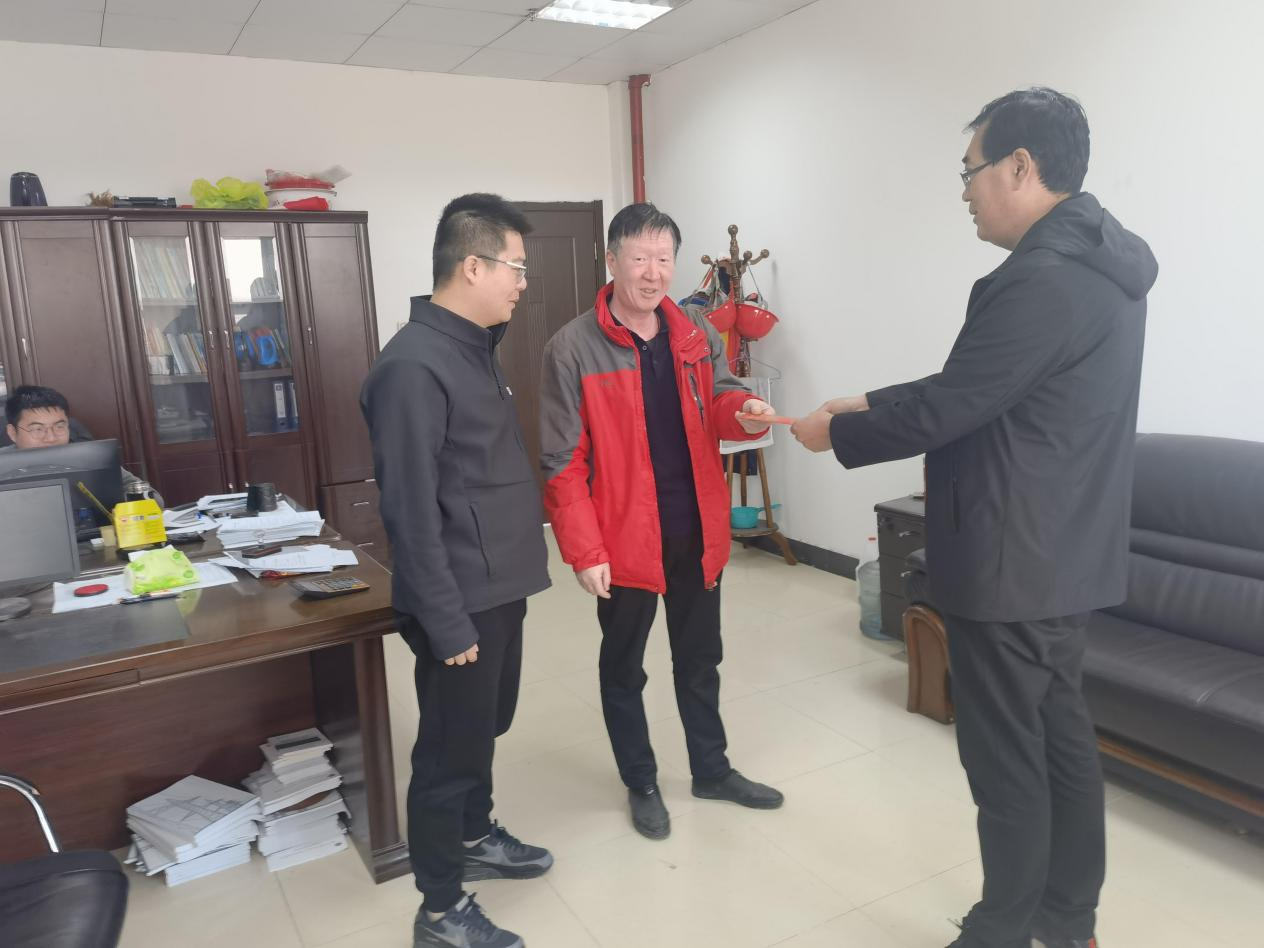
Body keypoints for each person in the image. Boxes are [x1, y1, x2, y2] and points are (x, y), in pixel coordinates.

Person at [792, 88, 1157, 948]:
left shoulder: (1040, 279)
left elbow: (951, 408)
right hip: (1064, 555)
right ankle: (1068, 922)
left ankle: (1002, 928)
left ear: (1020, 167)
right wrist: (868, 399)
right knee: (1060, 740)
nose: (964, 191)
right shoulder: (1104, 261)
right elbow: (985, 385)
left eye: (970, 171)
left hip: (1008, 563)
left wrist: (833, 432)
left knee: (1005, 760)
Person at [539, 202, 785, 842]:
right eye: (640, 258)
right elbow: (562, 462)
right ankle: (641, 781)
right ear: (612, 260)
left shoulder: (694, 330)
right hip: (623, 539)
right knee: (624, 667)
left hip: (696, 528)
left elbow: (721, 397)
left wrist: (744, 408)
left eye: (664, 259)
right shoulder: (572, 348)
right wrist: (585, 549)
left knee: (701, 658)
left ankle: (711, 770)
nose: (653, 273)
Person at [360, 193, 553, 948]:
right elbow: (409, 511)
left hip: (498, 586)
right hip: (460, 600)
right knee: (447, 752)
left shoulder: (472, 344)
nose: (523, 283)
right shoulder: (413, 366)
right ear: (472, 266)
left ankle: (474, 836)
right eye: (516, 267)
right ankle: (440, 908)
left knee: (482, 729)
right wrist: (445, 621)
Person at [3, 384, 162, 506]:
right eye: (37, 429)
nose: (51, 437)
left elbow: (153, 499)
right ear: (12, 433)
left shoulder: (88, 458)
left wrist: (123, 505)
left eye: (59, 426)